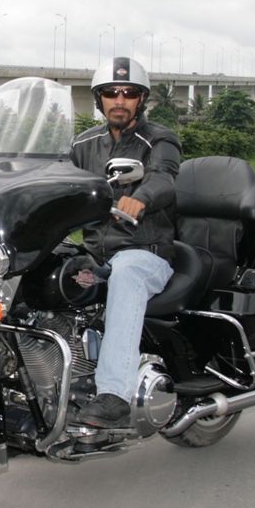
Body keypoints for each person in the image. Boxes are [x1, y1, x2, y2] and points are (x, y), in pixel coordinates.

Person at [69, 57, 181, 428]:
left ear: (141, 99)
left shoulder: (160, 139)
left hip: (145, 253)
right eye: (111, 92)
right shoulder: (83, 144)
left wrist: (142, 196)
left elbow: (164, 176)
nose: (120, 99)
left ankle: (114, 393)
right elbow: (53, 177)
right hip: (96, 253)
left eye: (129, 92)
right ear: (99, 100)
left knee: (126, 273)